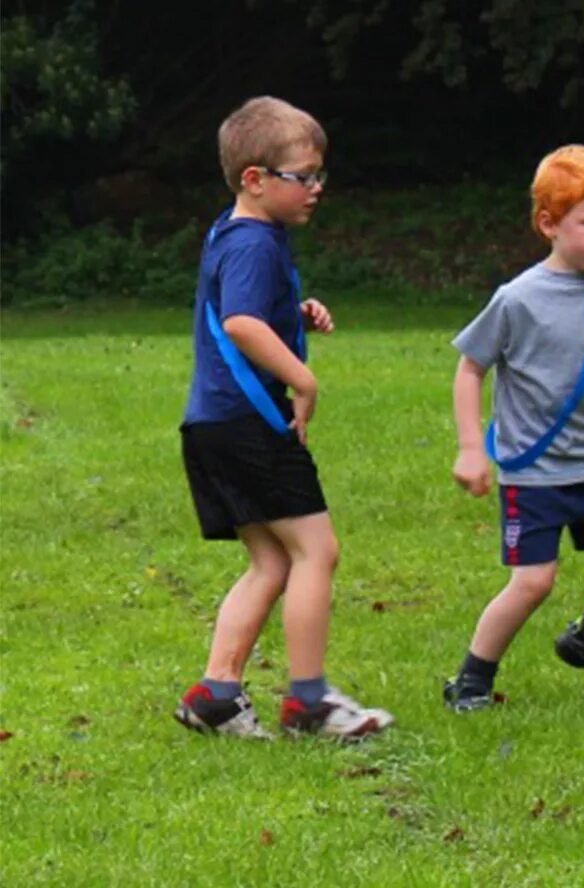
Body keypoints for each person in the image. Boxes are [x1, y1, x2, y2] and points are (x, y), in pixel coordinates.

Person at [174, 96, 393, 740]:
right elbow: (239, 322)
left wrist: (293, 316)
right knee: (316, 552)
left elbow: (242, 311)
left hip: (213, 423)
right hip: (250, 424)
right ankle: (308, 702)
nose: (317, 189)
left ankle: (217, 694)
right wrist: (301, 375)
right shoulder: (257, 244)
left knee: (270, 563)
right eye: (305, 177)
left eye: (320, 175)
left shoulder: (231, 231)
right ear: (255, 179)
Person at [442, 145, 584, 712]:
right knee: (533, 582)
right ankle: (470, 681)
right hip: (535, 472)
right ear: (549, 224)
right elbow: (471, 368)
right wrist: (473, 448)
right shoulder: (517, 299)